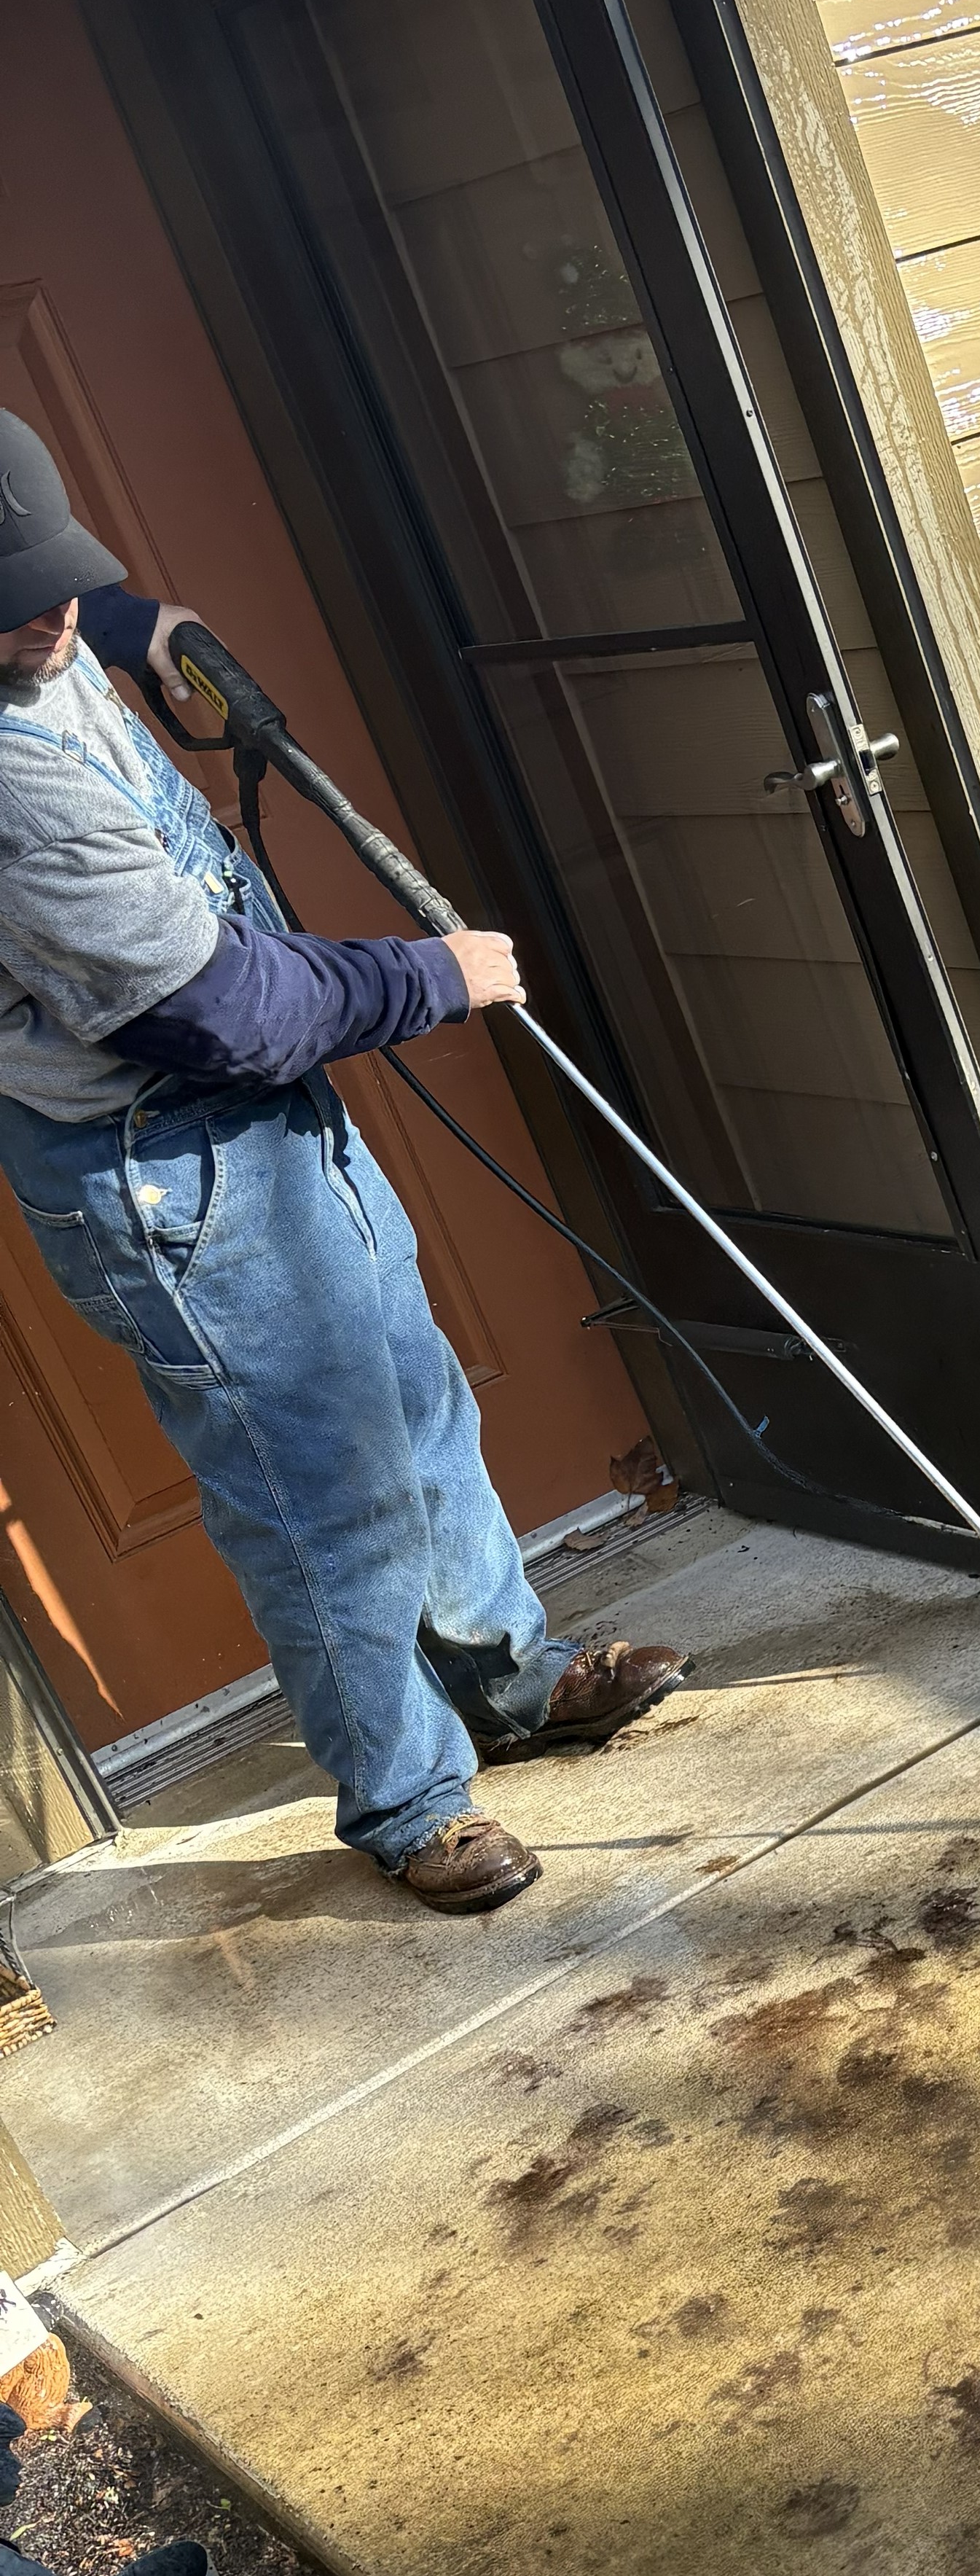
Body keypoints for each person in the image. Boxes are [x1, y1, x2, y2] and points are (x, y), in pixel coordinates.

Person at [0, 409, 685, 1913]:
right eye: (18, 597)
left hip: (264, 1121)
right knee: (327, 1498)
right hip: (170, 1166)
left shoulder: (43, 628)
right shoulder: (12, 799)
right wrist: (436, 978)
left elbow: (75, 614)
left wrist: (139, 619)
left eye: (58, 574)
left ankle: (511, 1691)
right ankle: (404, 1799)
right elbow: (223, 1016)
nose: (52, 614)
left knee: (422, 1407)